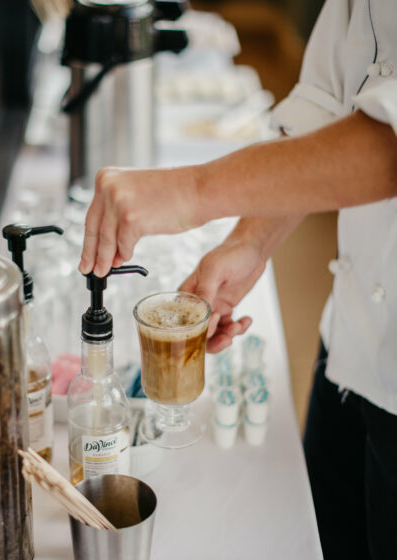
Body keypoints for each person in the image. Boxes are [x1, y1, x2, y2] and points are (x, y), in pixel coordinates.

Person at [79, 1, 397, 558]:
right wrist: (249, 241)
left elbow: (387, 146)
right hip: (351, 340)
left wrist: (191, 191)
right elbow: (324, 104)